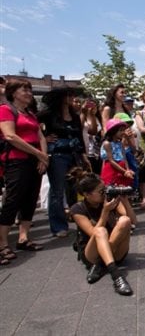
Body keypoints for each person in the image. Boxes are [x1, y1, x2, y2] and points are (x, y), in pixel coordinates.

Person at [0, 78, 48, 265]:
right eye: (24, 90)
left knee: (30, 199)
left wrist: (43, 157)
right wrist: (38, 153)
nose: (28, 93)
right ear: (13, 93)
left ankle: (23, 238)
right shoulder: (5, 110)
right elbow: (10, 135)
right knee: (13, 200)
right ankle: (3, 243)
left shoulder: (30, 113)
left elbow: (40, 136)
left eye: (29, 89)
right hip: (16, 161)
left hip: (34, 161)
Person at [68, 168, 133, 295]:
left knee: (125, 220)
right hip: (92, 254)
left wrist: (125, 201)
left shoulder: (109, 200)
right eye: (100, 191)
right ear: (87, 195)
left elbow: (133, 220)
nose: (105, 193)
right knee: (100, 231)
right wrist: (105, 211)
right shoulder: (77, 209)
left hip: (114, 252)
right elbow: (94, 233)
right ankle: (116, 276)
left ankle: (101, 265)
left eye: (105, 189)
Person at [37, 86, 87, 238]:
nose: (72, 98)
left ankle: (81, 220)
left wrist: (83, 154)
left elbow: (79, 135)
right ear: (61, 97)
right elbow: (33, 127)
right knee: (57, 191)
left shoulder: (75, 115)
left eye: (72, 95)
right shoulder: (48, 115)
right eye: (69, 95)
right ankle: (58, 226)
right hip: (58, 155)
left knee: (78, 189)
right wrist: (44, 139)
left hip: (74, 155)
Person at [100, 118, 137, 226]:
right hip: (112, 171)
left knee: (124, 195)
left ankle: (125, 219)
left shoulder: (120, 143)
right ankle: (117, 220)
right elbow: (111, 161)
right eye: (120, 130)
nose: (123, 133)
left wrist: (127, 169)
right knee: (113, 196)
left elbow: (124, 157)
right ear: (113, 131)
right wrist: (124, 171)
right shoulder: (107, 143)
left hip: (121, 169)